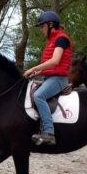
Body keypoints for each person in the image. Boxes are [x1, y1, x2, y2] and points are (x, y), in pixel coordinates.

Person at [23, 10, 71, 146]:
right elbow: (50, 67)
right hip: (50, 78)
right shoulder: (52, 40)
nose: (41, 30)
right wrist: (36, 73)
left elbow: (55, 61)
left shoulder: (61, 39)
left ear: (51, 25)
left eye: (42, 26)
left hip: (59, 79)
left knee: (38, 96)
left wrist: (34, 68)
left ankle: (49, 132)